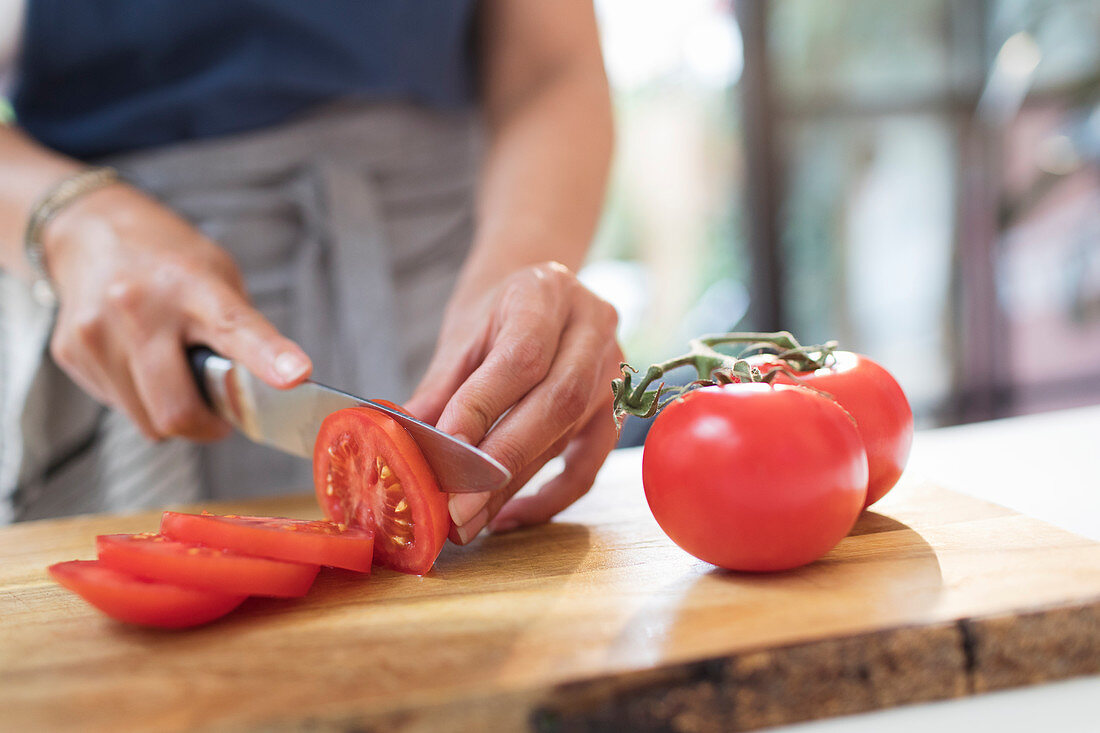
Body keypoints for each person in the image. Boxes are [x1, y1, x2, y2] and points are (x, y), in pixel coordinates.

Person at [0, 0, 621, 546]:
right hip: (120, 304)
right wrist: (69, 219)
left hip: (444, 295)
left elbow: (553, 70)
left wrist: (520, 270)